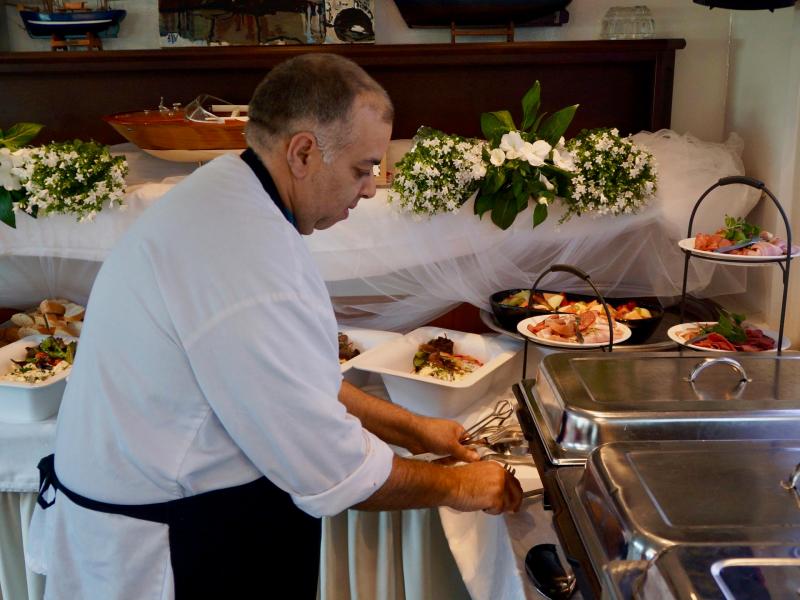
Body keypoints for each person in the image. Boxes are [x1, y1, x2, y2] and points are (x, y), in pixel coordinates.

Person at [28, 53, 522, 599]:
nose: (372, 189)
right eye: (363, 168)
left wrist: (413, 428)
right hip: (173, 548)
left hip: (180, 516)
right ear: (304, 152)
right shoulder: (242, 252)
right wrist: (460, 485)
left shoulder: (230, 188)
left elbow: (293, 381)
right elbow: (330, 471)